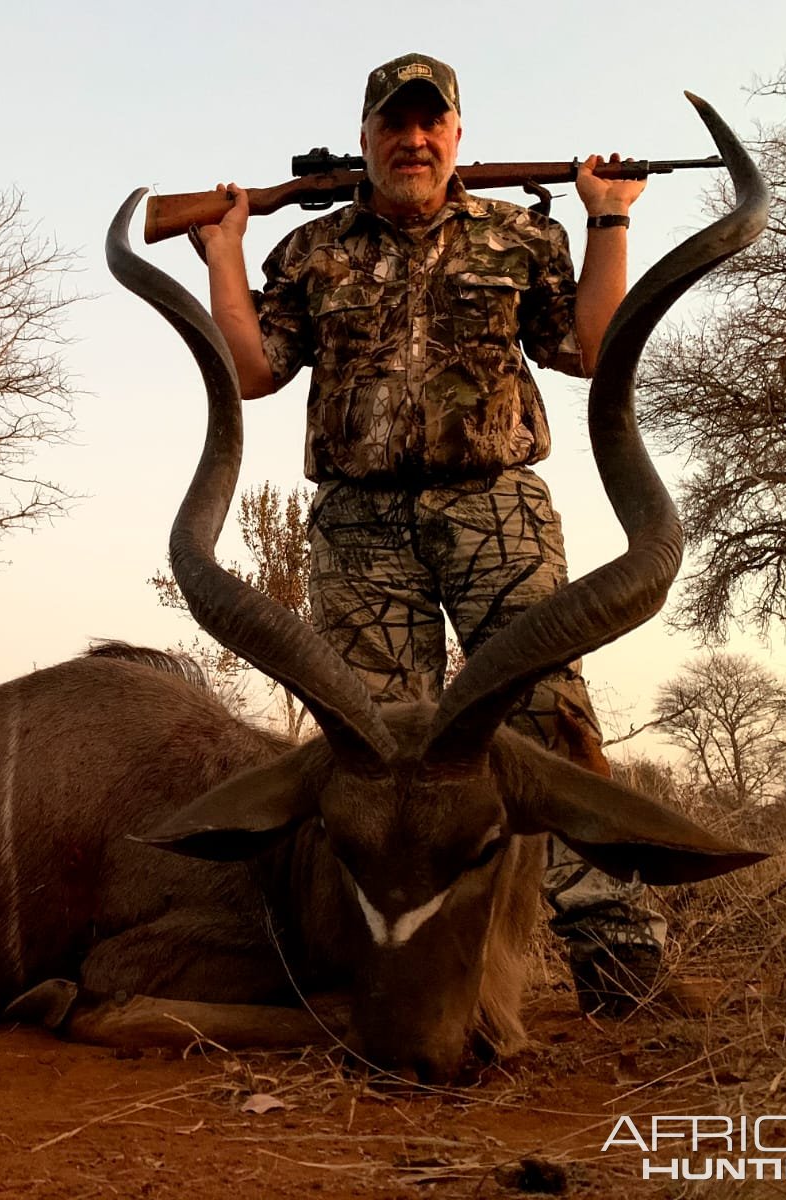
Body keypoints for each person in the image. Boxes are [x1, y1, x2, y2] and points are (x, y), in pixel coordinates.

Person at [191, 51, 664, 1015]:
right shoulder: (311, 249)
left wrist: (606, 218)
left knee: (543, 715)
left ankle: (613, 944)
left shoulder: (523, 235)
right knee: (376, 747)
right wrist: (226, 253)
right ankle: (403, 966)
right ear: (365, 140)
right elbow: (248, 372)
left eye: (430, 124)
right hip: (359, 523)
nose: (413, 140)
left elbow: (592, 350)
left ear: (456, 137)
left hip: (497, 507)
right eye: (393, 126)